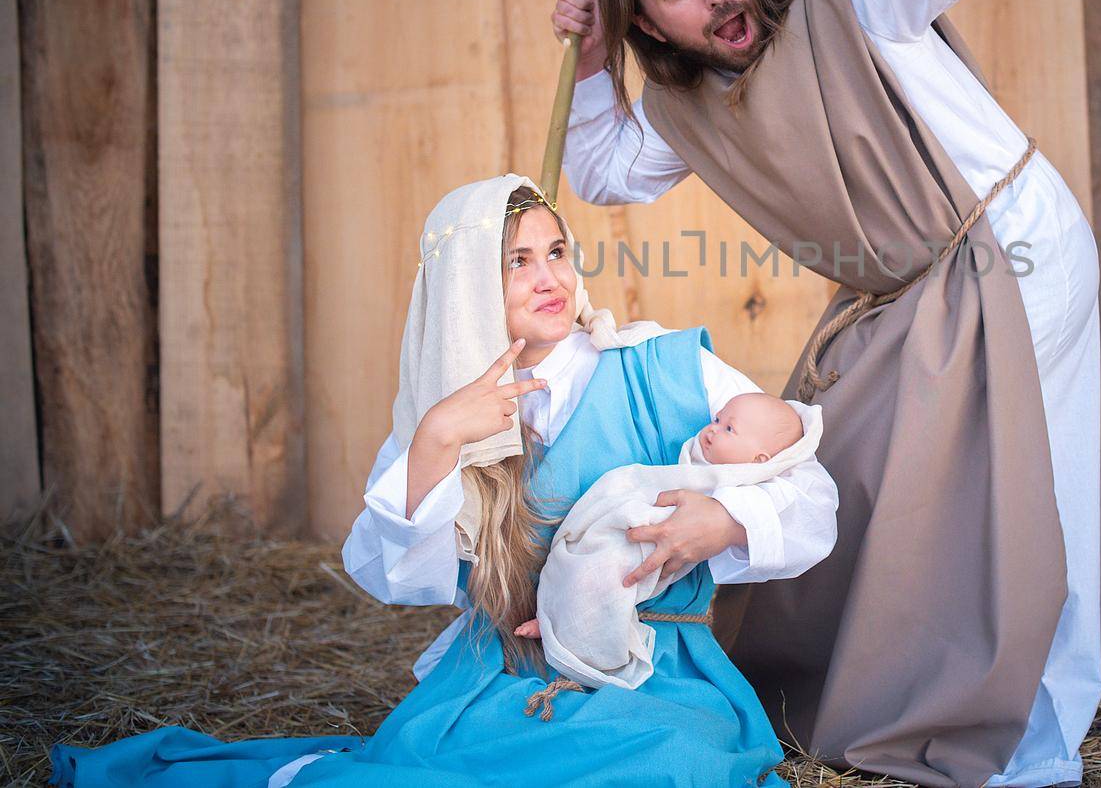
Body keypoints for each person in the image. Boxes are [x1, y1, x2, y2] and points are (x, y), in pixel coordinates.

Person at [548, 0, 1101, 786]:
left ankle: (1038, 728)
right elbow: (600, 171)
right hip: (906, 294)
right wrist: (593, 63)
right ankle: (881, 676)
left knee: (1033, 490)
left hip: (1011, 249)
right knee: (836, 457)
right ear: (648, 21)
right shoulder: (686, 107)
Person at [48, 175, 838, 788]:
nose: (548, 278)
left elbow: (810, 493)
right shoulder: (445, 409)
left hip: (656, 672)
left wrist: (725, 525)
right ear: (466, 284)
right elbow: (384, 572)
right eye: (517, 262)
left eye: (556, 252)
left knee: (672, 764)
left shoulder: (661, 370)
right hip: (504, 675)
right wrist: (435, 442)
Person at [524, 391, 819, 691]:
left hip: (652, 563)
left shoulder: (747, 481)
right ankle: (554, 620)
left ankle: (567, 635)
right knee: (588, 559)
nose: (713, 428)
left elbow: (812, 508)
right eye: (717, 419)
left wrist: (726, 521)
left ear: (760, 460)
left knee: (607, 578)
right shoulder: (700, 457)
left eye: (729, 429)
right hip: (624, 525)